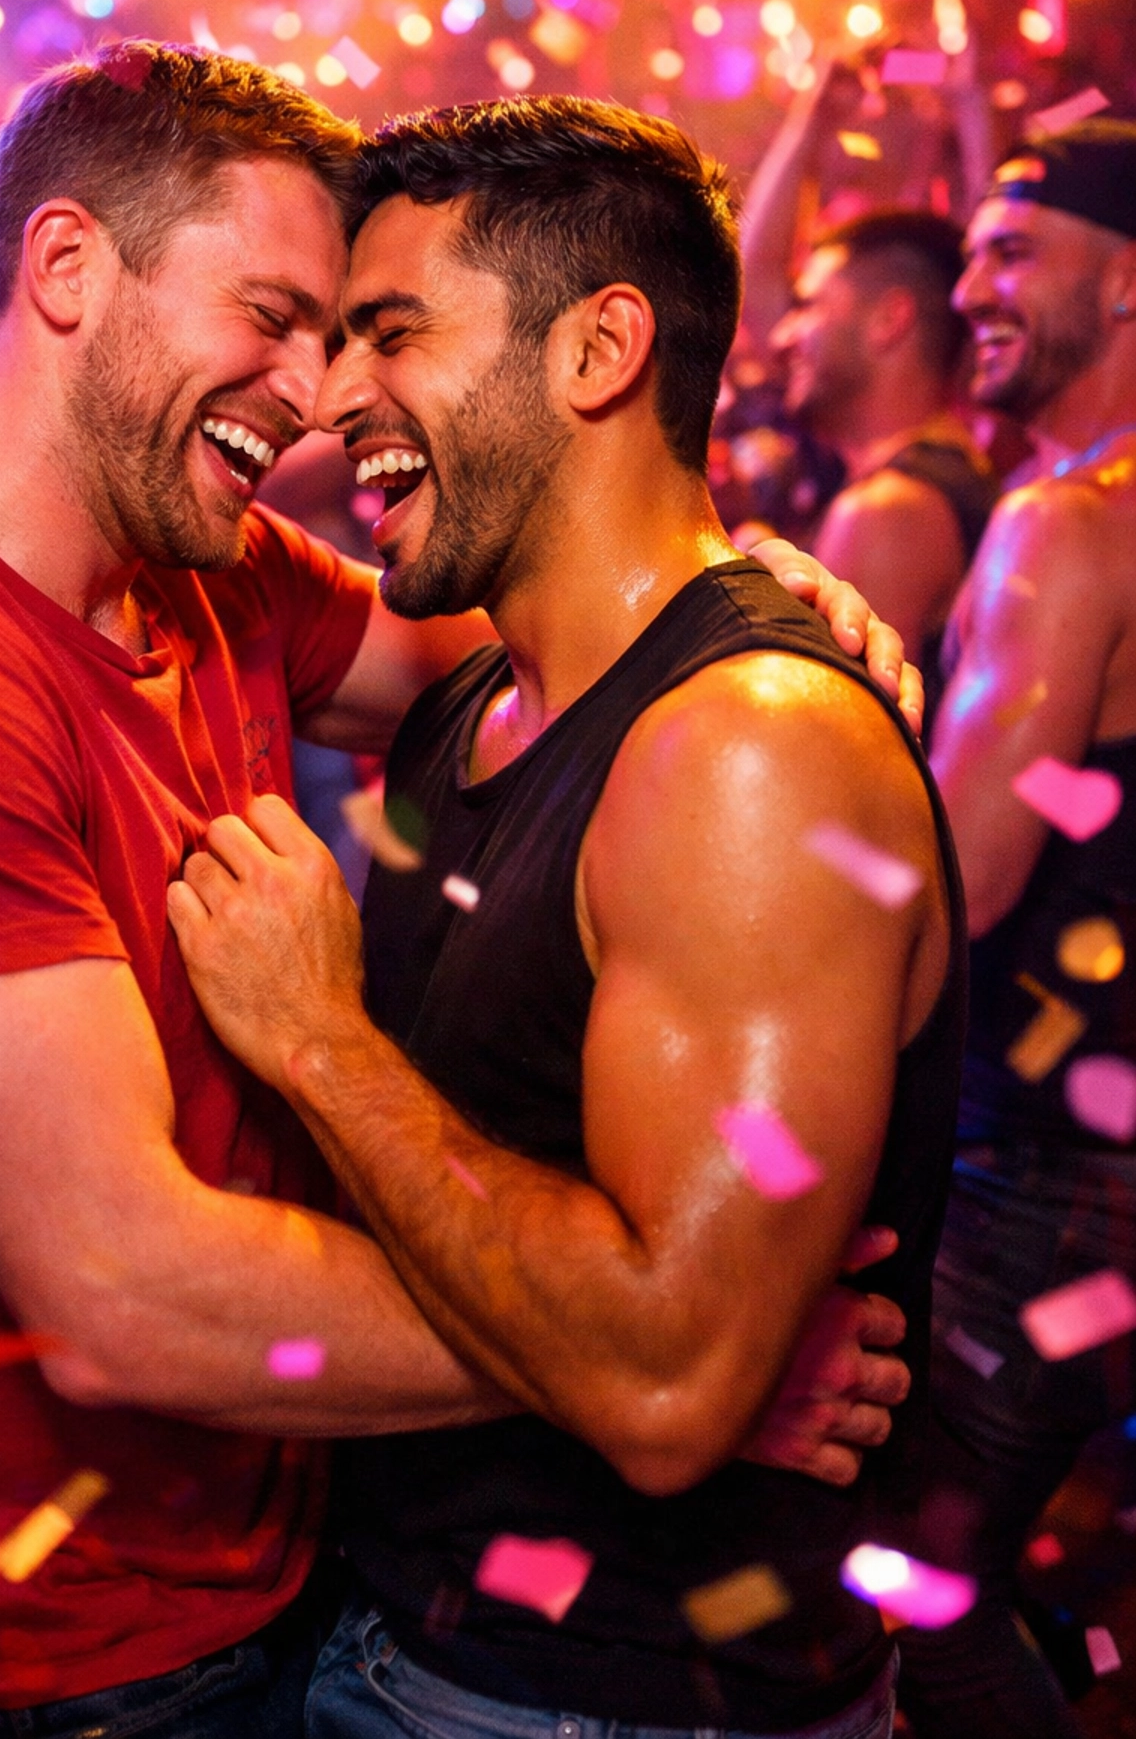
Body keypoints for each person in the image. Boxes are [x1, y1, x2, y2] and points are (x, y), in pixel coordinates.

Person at [0, 45, 919, 1736]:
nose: (316, 392)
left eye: (354, 332)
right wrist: (661, 1356)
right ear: (65, 268)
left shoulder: (204, 567)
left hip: (288, 1576)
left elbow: (528, 622)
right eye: (274, 314)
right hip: (42, 1668)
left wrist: (731, 580)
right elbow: (133, 1296)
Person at [168, 95, 970, 1739]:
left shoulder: (749, 749)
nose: (330, 400)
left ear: (602, 346)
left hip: (612, 1699)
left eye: (389, 332)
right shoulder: (482, 693)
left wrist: (317, 1039)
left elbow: (670, 1389)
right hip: (411, 1638)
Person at [894, 123, 1136, 1739]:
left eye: (1010, 252)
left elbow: (948, 879)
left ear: (1124, 282)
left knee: (898, 1585)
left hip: (1041, 1166)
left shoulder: (1070, 524)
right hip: (1090, 1151)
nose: (966, 285)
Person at [770, 212, 998, 719]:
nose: (782, 338)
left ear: (889, 320)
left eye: (806, 306)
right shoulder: (938, 478)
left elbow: (831, 730)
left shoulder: (889, 511)